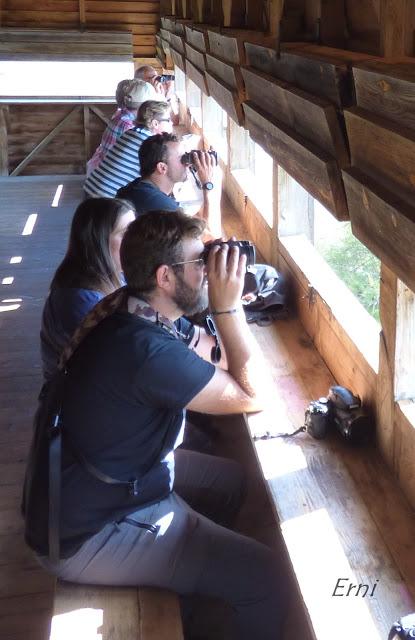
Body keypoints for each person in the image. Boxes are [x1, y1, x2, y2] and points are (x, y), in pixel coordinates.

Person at [26, 210, 287, 640]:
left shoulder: (133, 307)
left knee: (231, 481)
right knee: (270, 580)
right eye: (199, 263)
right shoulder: (145, 350)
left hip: (94, 483)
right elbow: (252, 395)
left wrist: (222, 305)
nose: (208, 271)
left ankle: (193, 600)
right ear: (166, 277)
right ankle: (194, 575)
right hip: (89, 530)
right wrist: (226, 304)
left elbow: (218, 357)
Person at [40, 198, 135, 380]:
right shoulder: (79, 299)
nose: (136, 240)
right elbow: (116, 362)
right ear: (97, 241)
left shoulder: (115, 275)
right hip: (75, 400)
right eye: (126, 233)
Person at [117, 132, 221, 237]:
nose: (188, 164)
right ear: (162, 167)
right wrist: (208, 185)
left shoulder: (138, 188)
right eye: (182, 159)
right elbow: (206, 237)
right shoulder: (160, 206)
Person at [84, 101, 172, 199]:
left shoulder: (131, 132)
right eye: (168, 120)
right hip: (106, 198)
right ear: (155, 123)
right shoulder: (148, 142)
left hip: (93, 188)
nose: (171, 123)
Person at [86, 79, 162, 176]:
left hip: (101, 168)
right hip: (111, 173)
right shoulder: (128, 126)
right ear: (145, 107)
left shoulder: (121, 115)